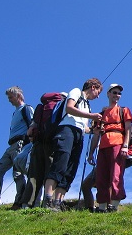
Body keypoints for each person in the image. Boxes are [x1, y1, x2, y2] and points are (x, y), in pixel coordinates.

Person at [43, 78, 103, 211]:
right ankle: (48, 199)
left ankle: (58, 202)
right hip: (66, 130)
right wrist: (92, 116)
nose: (98, 96)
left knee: (70, 169)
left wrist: (94, 130)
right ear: (93, 87)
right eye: (98, 92)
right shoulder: (76, 92)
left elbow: (85, 127)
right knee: (60, 163)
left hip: (79, 134)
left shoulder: (87, 105)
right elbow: (69, 108)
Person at [86, 83, 132, 213]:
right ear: (108, 94)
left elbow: (128, 129)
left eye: (119, 93)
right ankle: (102, 206)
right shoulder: (100, 115)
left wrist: (125, 146)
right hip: (103, 146)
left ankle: (114, 205)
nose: (117, 95)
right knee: (101, 177)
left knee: (116, 175)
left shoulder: (124, 110)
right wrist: (90, 153)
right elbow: (96, 136)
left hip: (118, 144)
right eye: (114, 92)